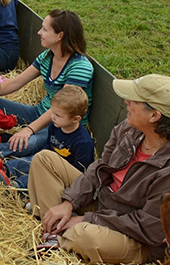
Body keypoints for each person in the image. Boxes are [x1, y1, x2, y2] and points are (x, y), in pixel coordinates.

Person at [28, 74, 170, 263]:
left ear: (154, 115)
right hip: (104, 203)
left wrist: (87, 219)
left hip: (134, 236)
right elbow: (98, 168)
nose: (126, 101)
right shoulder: (128, 129)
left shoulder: (166, 168)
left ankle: (58, 229)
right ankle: (56, 231)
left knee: (86, 235)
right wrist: (69, 202)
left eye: (134, 100)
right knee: (44, 159)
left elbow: (147, 227)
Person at [0, 8, 94, 159]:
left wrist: (29, 130)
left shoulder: (79, 67)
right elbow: (15, 83)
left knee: (25, 144)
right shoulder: (47, 56)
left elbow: (64, 107)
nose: (39, 32)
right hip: (38, 112)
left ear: (60, 36)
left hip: (60, 123)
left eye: (44, 29)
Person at [0, 85, 94, 190]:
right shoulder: (55, 125)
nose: (52, 117)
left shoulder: (83, 142)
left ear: (76, 119)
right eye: (52, 112)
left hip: (60, 171)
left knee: (39, 176)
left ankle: (17, 186)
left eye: (58, 115)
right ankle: (7, 168)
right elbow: (48, 144)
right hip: (47, 159)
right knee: (31, 160)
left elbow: (79, 171)